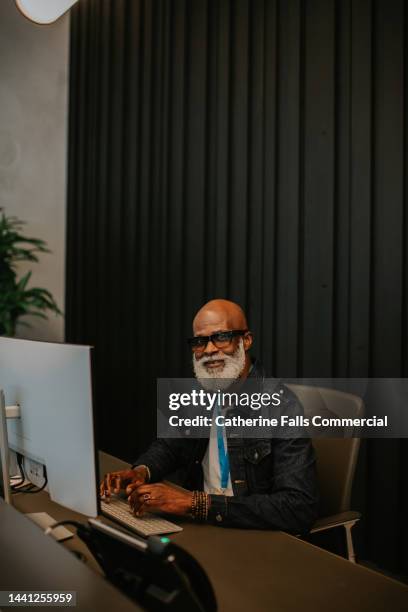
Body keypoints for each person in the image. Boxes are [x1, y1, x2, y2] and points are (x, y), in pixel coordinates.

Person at [101, 299, 318, 532]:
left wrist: (194, 504)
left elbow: (298, 507)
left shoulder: (281, 406)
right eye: (199, 341)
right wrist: (141, 472)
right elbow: (170, 446)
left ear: (246, 340)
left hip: (250, 534)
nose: (209, 350)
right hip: (200, 525)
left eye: (221, 337)